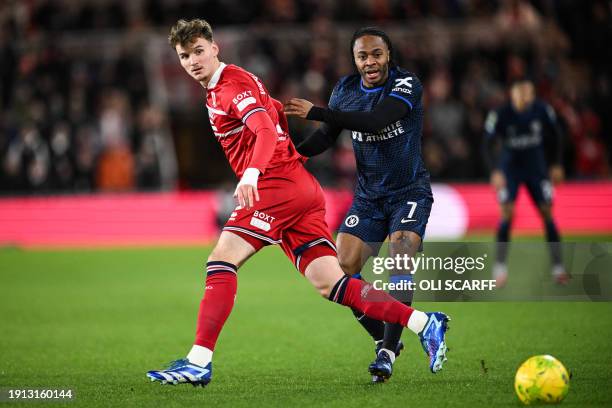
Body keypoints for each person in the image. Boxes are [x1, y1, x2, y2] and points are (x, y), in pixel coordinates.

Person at [146, 19, 450, 387]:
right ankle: (424, 323)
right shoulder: (239, 80)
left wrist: (253, 173)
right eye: (184, 56)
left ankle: (198, 360)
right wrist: (289, 157)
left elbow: (260, 126)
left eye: (198, 51)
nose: (193, 61)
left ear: (214, 48)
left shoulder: (229, 87)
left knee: (221, 260)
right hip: (299, 188)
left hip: (275, 188)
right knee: (333, 284)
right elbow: (273, 110)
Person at [284, 27, 434, 382]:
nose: (370, 62)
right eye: (363, 56)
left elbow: (377, 120)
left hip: (408, 192)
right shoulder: (345, 90)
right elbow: (325, 138)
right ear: (355, 60)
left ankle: (385, 355)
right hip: (368, 198)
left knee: (401, 259)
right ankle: (385, 339)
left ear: (388, 55)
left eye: (376, 54)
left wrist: (318, 111)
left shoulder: (406, 84)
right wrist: (289, 157)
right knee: (342, 268)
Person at [484, 77, 568, 287]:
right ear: (512, 94)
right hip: (509, 170)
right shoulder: (500, 114)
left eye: (528, 92)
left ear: (532, 94)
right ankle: (500, 267)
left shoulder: (542, 110)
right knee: (507, 213)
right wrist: (494, 170)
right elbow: (486, 143)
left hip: (536, 169)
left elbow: (557, 135)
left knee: (547, 211)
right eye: (520, 92)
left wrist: (556, 163)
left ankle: (558, 267)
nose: (524, 97)